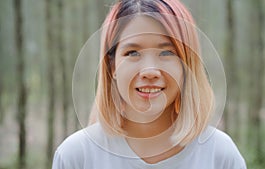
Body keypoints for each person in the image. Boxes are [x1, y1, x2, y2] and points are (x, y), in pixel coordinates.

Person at [52, 0, 247, 168]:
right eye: (132, 53)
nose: (150, 71)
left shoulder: (220, 155)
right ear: (112, 66)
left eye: (167, 53)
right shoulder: (76, 156)